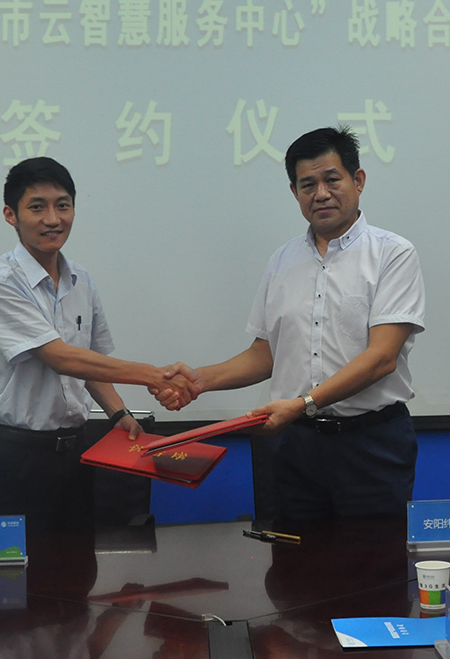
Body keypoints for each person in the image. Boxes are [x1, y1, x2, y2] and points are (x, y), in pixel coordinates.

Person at [166, 126, 425, 520]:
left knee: (375, 558)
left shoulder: (393, 254)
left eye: (332, 180)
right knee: (295, 556)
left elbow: (382, 358)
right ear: (294, 192)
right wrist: (199, 381)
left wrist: (303, 403)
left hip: (371, 444)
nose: (320, 193)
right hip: (296, 448)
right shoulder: (282, 261)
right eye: (307, 185)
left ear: (358, 180)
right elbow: (265, 355)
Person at [0, 157, 196, 531]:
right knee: (15, 570)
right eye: (37, 207)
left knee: (76, 565)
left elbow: (90, 362)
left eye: (63, 205)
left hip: (76, 456)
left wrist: (119, 415)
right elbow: (62, 358)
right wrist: (153, 376)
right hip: (17, 460)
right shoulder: (0, 281)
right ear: (11, 215)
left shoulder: (82, 280)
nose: (53, 219)